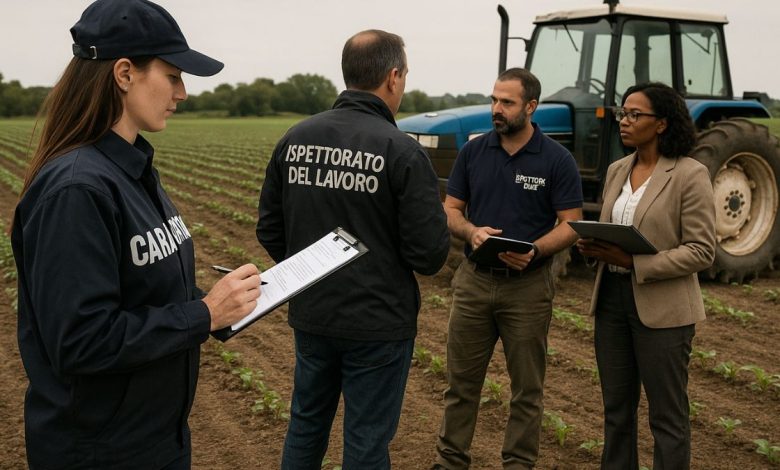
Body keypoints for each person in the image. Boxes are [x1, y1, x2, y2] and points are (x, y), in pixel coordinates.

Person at [11, 1, 261, 469]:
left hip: (154, 439)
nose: (183, 92)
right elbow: (81, 341)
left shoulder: (132, 169)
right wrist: (201, 315)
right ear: (124, 73)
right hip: (100, 452)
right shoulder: (77, 190)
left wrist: (220, 306)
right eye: (173, 75)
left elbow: (142, 290)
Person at [256, 29, 449, 469]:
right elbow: (429, 255)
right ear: (393, 77)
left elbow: (269, 227)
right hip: (378, 323)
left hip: (313, 315)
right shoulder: (402, 151)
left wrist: (308, 271)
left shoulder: (296, 137)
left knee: (305, 426)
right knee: (365, 443)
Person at [434, 67, 583, 469]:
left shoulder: (556, 159)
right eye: (494, 100)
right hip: (474, 283)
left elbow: (571, 221)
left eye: (507, 102)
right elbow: (450, 209)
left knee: (527, 390)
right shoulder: (474, 152)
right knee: (461, 385)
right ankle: (450, 463)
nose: (496, 109)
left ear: (531, 106)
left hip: (528, 288)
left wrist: (534, 250)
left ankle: (518, 463)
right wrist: (470, 232)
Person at [576, 82, 716, 470]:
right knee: (616, 412)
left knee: (667, 417)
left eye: (635, 114)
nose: (624, 120)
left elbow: (702, 250)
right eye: (623, 113)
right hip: (612, 302)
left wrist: (634, 262)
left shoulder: (690, 174)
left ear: (661, 124)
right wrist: (592, 248)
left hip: (663, 310)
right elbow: (609, 228)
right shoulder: (618, 169)